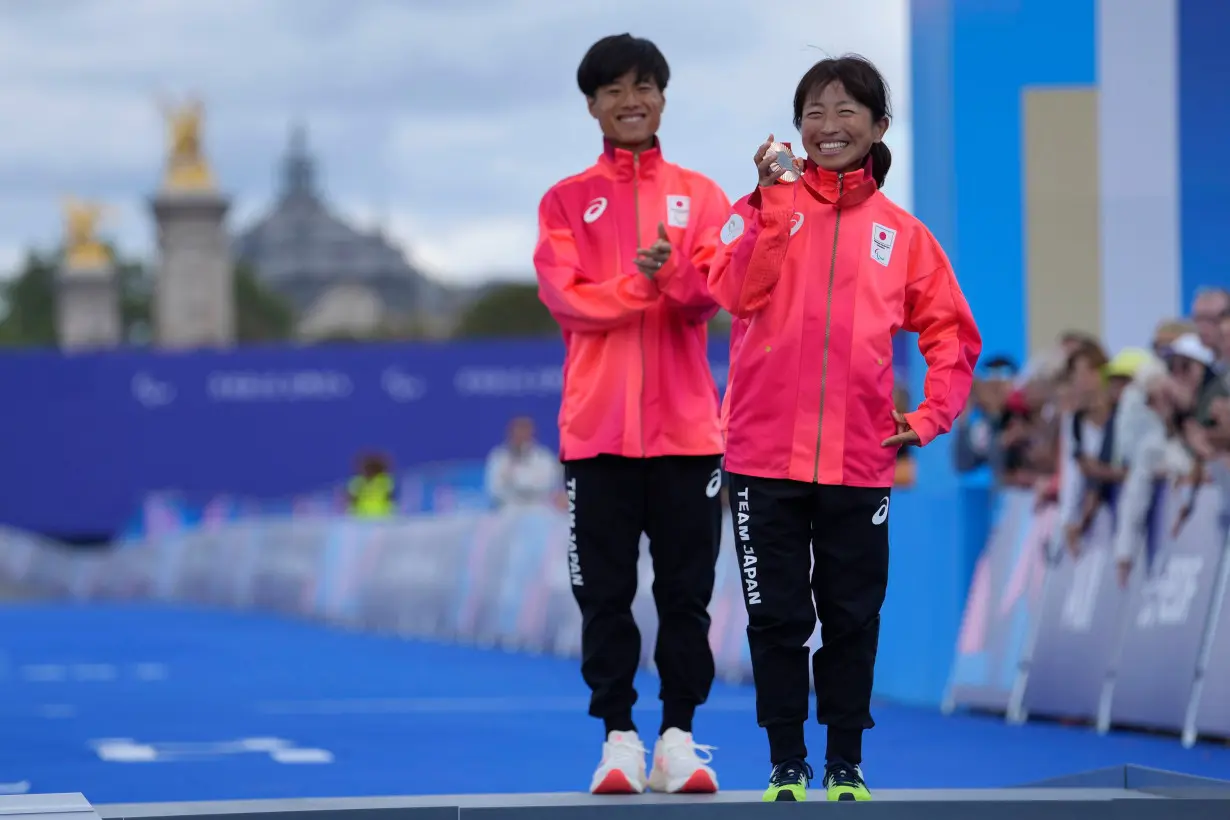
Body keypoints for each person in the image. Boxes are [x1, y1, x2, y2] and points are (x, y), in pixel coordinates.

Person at [706, 55, 981, 802]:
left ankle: (846, 764)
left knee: (853, 617)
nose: (829, 127)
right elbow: (731, 290)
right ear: (798, 128)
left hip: (860, 463)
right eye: (814, 113)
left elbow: (952, 338)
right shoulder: (758, 208)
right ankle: (786, 760)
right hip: (762, 458)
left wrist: (926, 418)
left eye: (846, 111)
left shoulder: (904, 236)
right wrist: (771, 206)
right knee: (778, 618)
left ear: (879, 127)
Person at [532, 33, 730, 795]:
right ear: (591, 105)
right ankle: (617, 737)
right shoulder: (565, 201)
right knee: (604, 595)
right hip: (598, 436)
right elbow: (566, 299)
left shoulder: (704, 197)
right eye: (613, 90)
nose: (630, 100)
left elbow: (710, 293)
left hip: (686, 435)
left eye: (644, 86)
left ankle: (678, 736)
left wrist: (672, 273)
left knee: (686, 594)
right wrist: (641, 287)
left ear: (663, 98)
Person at [483, 416, 560, 509]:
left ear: (532, 434)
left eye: (524, 432)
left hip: (539, 508)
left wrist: (521, 486)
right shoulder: (498, 457)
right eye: (518, 432)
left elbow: (550, 486)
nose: (521, 436)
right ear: (510, 434)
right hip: (507, 508)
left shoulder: (545, 458)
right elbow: (494, 489)